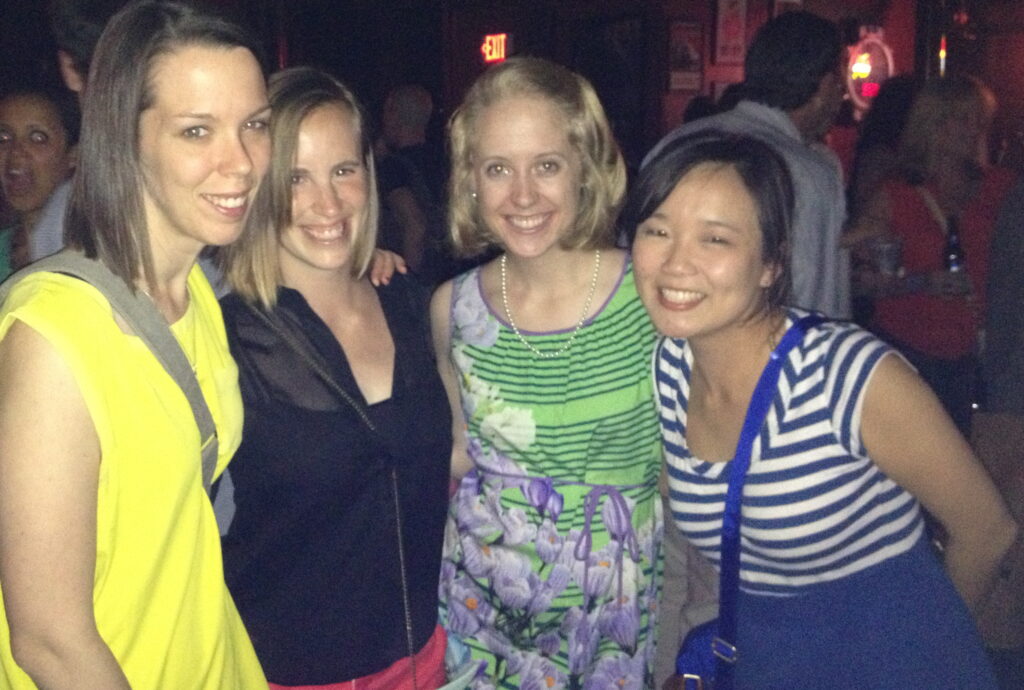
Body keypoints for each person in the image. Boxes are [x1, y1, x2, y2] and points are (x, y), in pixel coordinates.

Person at [628, 131, 1017, 688]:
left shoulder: (847, 374)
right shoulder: (665, 369)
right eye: (657, 231)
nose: (675, 262)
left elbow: (988, 530)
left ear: (769, 265)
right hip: (768, 664)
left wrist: (919, 649)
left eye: (715, 239)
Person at [0, 2, 270, 687]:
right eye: (196, 130)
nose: (239, 162)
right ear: (125, 136)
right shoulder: (54, 339)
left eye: (254, 126)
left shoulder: (196, 292)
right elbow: (49, 641)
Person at [433, 56, 663, 687]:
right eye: (499, 168)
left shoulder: (650, 292)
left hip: (611, 618)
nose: (524, 194)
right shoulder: (453, 307)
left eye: (547, 166)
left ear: (585, 171)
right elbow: (456, 453)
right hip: (482, 614)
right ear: (471, 181)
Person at [219, 66, 452, 689]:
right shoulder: (226, 337)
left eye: (343, 170)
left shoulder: (408, 299)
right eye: (296, 177)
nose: (327, 204)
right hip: (289, 672)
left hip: (425, 656)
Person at [644, 11, 849, 320]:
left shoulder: (674, 143)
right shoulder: (810, 173)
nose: (843, 94)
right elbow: (813, 301)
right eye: (841, 81)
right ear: (824, 85)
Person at [854, 75, 1016, 435]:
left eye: (982, 119)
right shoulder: (897, 196)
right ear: (934, 126)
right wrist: (921, 282)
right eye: (965, 118)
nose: (976, 130)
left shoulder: (1002, 190)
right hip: (908, 357)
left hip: (977, 361)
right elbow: (859, 280)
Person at [0, 83, 79, 275]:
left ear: (73, 154)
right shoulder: (4, 249)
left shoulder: (92, 251)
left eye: (37, 138)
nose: (16, 152)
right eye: (3, 137)